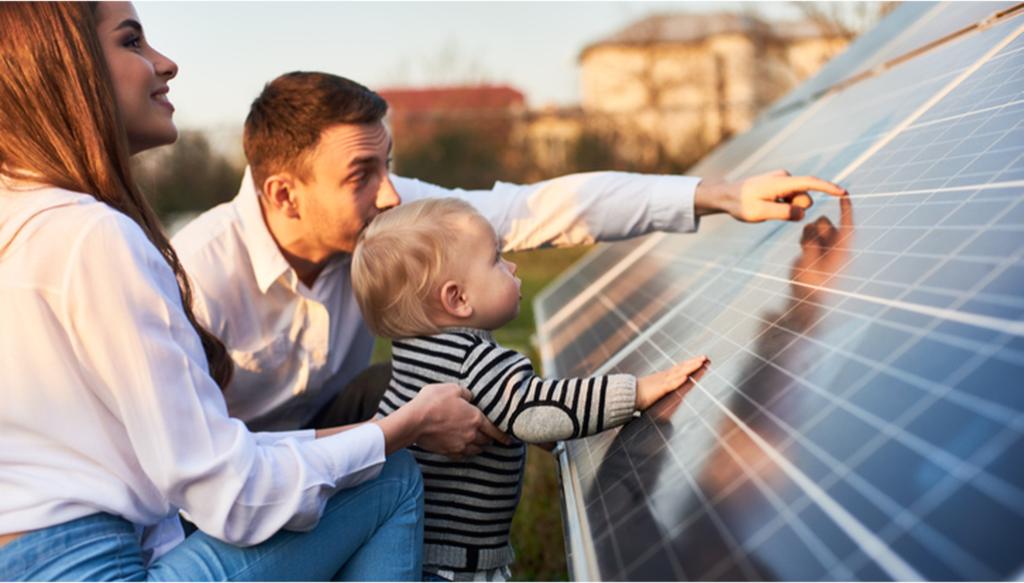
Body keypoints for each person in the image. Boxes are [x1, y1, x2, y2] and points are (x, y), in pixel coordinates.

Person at [0, 3, 499, 580]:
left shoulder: (22, 222)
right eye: (132, 42)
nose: (166, 63)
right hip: (96, 568)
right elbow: (232, 498)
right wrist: (401, 430)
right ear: (63, 69)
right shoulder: (93, 236)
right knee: (390, 478)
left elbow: (202, 466)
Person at [172, 70, 848, 434]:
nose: (388, 198)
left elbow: (534, 208)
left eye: (389, 165)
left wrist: (718, 194)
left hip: (333, 430)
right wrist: (393, 436)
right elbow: (191, 467)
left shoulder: (388, 214)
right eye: (361, 176)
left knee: (449, 383)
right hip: (234, 483)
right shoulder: (195, 278)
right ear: (286, 196)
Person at [349, 197, 710, 580]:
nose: (512, 265)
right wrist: (635, 392)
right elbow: (539, 410)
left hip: (416, 552)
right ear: (458, 299)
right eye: (496, 260)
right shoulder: (474, 361)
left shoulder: (413, 357)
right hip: (456, 569)